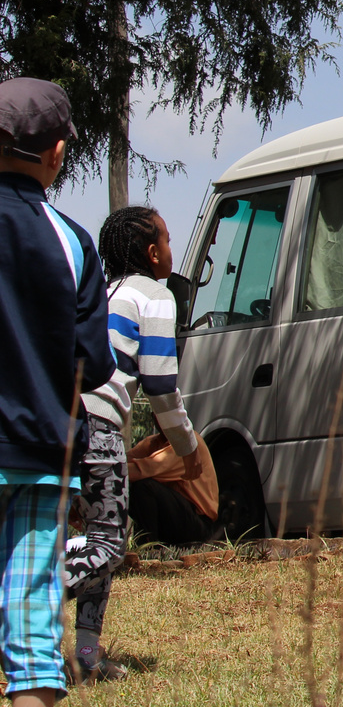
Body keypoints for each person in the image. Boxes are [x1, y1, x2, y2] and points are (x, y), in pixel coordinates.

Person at [0, 78, 117, 707]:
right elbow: (93, 366)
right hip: (45, 456)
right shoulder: (72, 240)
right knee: (31, 630)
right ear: (56, 152)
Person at [65, 206, 205, 681]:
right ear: (153, 252)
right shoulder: (155, 296)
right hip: (98, 429)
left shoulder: (104, 293)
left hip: (64, 423)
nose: (171, 246)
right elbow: (161, 384)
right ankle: (27, 589)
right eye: (166, 238)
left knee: (94, 537)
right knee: (107, 545)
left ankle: (86, 659)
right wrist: (187, 448)